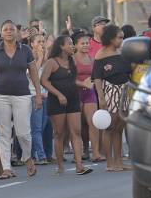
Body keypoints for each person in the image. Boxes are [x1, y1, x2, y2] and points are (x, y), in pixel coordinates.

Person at [0, 20, 42, 179]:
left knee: (23, 132)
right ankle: (6, 168)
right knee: (4, 132)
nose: (9, 31)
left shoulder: (25, 50)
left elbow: (34, 72)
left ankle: (27, 157)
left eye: (12, 29)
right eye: (5, 29)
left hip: (22, 95)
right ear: (1, 33)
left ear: (17, 33)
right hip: (0, 95)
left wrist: (38, 95)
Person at [41, 35, 92, 175]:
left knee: (76, 132)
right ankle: (60, 165)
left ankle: (79, 166)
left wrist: (83, 84)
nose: (72, 46)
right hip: (57, 100)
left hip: (73, 99)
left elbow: (72, 80)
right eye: (69, 44)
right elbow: (43, 81)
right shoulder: (52, 62)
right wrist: (58, 94)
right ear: (61, 46)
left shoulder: (71, 61)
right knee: (59, 133)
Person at [93, 24, 131, 172]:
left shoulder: (122, 52)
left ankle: (119, 161)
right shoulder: (100, 54)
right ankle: (110, 163)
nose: (122, 40)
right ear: (110, 38)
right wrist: (101, 98)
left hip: (124, 90)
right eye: (119, 38)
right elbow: (96, 78)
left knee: (120, 128)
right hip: (110, 91)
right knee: (110, 127)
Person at [73, 31, 103, 163]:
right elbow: (68, 78)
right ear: (76, 45)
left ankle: (95, 153)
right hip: (75, 93)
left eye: (87, 43)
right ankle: (81, 152)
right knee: (79, 126)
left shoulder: (93, 58)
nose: (85, 45)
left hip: (90, 93)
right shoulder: (72, 59)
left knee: (93, 123)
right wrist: (82, 83)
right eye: (82, 43)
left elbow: (96, 76)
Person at [28, 32, 49, 165]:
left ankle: (32, 154)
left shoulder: (46, 59)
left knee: (42, 126)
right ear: (32, 44)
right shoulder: (29, 58)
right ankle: (40, 156)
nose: (42, 44)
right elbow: (32, 75)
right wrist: (40, 58)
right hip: (33, 96)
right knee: (36, 128)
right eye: (38, 42)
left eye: (43, 41)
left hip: (45, 96)